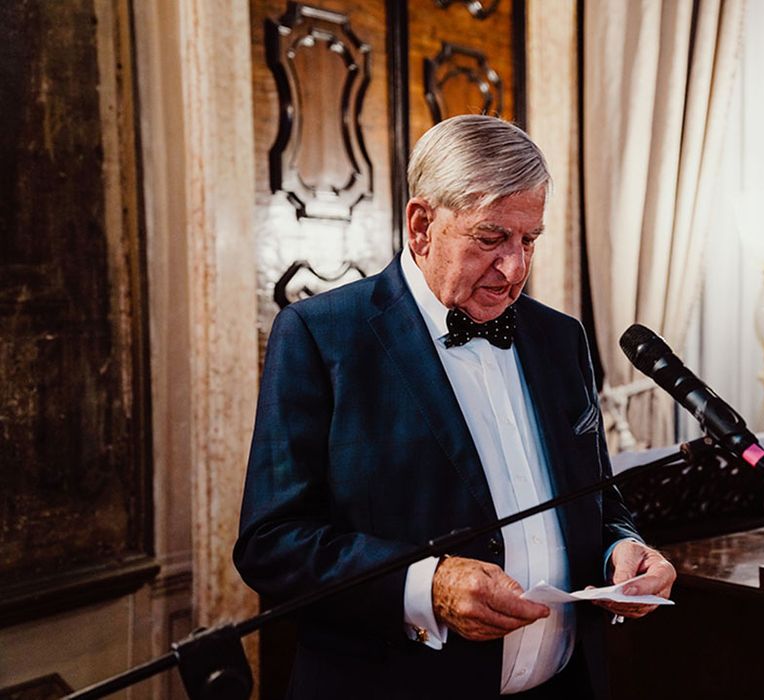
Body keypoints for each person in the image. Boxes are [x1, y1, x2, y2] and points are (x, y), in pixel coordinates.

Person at [234, 115, 676, 699]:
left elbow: (596, 495)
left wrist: (624, 547)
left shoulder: (561, 338)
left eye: (529, 241)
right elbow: (272, 543)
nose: (515, 268)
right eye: (491, 238)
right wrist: (427, 585)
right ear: (421, 225)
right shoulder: (321, 336)